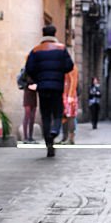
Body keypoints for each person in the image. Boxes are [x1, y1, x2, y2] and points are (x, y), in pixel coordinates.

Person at [24, 24, 74, 157]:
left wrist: (38, 78)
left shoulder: (35, 50)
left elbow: (29, 68)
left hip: (42, 87)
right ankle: (55, 130)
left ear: (43, 34)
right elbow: (69, 66)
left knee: (45, 115)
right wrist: (59, 72)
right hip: (57, 87)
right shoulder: (61, 49)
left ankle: (49, 144)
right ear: (54, 34)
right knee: (57, 112)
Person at [61, 68, 78, 145]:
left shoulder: (71, 66)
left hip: (69, 96)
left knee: (70, 116)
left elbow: (73, 80)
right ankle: (64, 137)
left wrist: (71, 95)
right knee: (63, 116)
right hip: (63, 95)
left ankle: (71, 138)